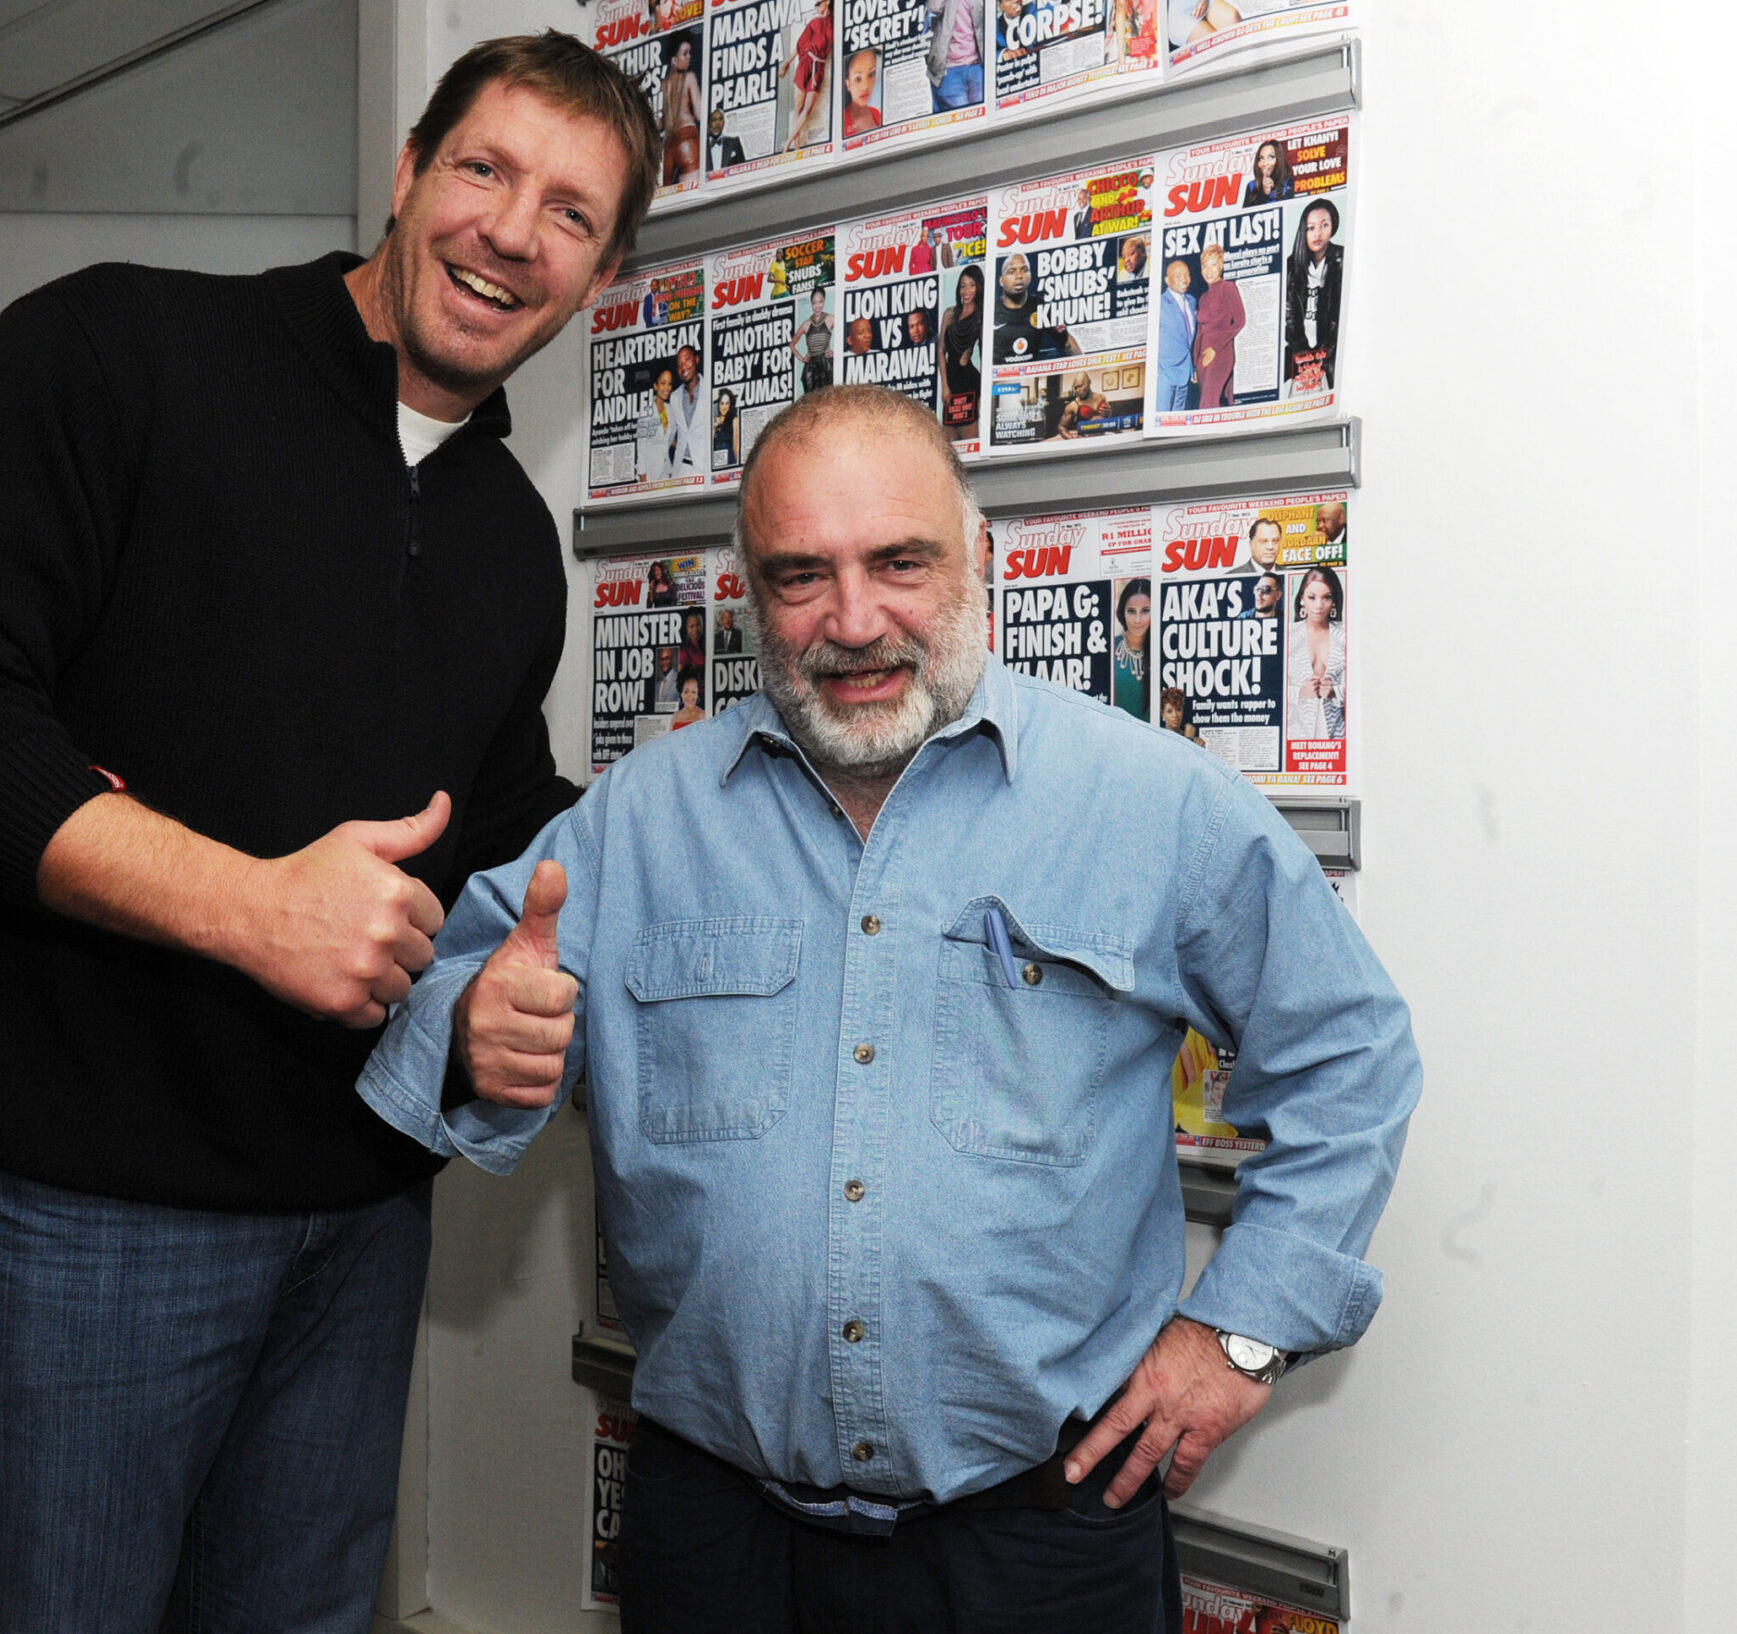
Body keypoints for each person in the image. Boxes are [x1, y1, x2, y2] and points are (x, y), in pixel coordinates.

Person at [0, 30, 659, 1634]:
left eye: (568, 214)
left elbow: (483, 821)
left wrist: (497, 984)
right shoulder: (119, 349)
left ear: (598, 276)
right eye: (482, 170)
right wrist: (240, 904)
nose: (508, 230)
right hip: (89, 1214)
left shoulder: (505, 535)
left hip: (359, 1215)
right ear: (406, 175)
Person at [356, 385, 1418, 1633]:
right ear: (751, 593)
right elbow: (434, 1015)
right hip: (715, 1534)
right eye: (800, 575)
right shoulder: (640, 820)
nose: (852, 621)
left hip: (1043, 1534)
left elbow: (1347, 1050)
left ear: (983, 558)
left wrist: (1239, 1332)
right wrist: (470, 1034)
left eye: (899, 561)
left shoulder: (1150, 804)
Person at [1283, 197, 1344, 391]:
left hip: (1331, 351)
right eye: (1311, 228)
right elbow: (1288, 316)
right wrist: (1304, 356)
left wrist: (1323, 356)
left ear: (1333, 227)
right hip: (1300, 351)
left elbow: (1337, 317)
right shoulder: (1291, 266)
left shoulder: (1342, 259)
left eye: (1324, 225)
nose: (1318, 233)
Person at [1287, 565, 1346, 742]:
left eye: (1326, 597)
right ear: (1301, 599)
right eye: (1311, 597)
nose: (1319, 605)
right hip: (1296, 734)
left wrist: (1335, 692)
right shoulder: (1288, 635)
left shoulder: (1345, 634)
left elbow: (1366, 685)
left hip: (1337, 733)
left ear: (1334, 600)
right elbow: (1269, 691)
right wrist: (1300, 693)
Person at [991, 250, 1078, 366]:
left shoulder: (1041, 307)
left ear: (1030, 276)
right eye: (1012, 271)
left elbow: (1067, 342)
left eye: (1024, 270)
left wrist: (1084, 369)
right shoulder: (990, 311)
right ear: (1001, 281)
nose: (1019, 276)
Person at [1193, 241, 1244, 409]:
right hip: (1202, 358)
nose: (1209, 270)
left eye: (1213, 265)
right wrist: (1195, 364)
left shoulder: (1228, 288)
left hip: (1221, 353)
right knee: (1211, 404)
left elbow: (1240, 321)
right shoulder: (1203, 298)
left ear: (1221, 265)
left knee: (1207, 405)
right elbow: (1200, 333)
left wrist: (1215, 349)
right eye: (1205, 266)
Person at [782, 0, 835, 150]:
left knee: (808, 108)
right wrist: (786, 64)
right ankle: (796, 146)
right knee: (798, 107)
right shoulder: (814, 22)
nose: (817, 7)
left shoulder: (834, 22)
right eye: (816, 5)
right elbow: (799, 46)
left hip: (819, 66)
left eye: (819, 4)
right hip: (806, 63)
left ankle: (788, 143)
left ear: (827, 2)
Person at [939, 264, 984, 437]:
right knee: (949, 446)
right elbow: (941, 351)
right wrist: (944, 385)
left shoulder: (981, 315)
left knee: (970, 441)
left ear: (979, 287)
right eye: (963, 285)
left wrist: (983, 394)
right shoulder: (949, 314)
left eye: (972, 285)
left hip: (969, 383)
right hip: (951, 385)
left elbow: (986, 354)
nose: (967, 290)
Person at [1156, 256, 1199, 413]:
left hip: (1185, 373)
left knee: (1177, 420)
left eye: (1186, 274)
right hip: (1164, 373)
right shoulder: (1159, 304)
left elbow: (1189, 339)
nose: (1184, 279)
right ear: (1167, 280)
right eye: (1178, 275)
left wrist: (1192, 367)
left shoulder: (1192, 301)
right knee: (1161, 416)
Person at [661, 31, 703, 187]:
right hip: (687, 137)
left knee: (666, 198)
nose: (689, 57)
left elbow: (662, 122)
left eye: (689, 53)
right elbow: (699, 113)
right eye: (685, 53)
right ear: (674, 59)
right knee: (692, 194)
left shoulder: (664, 85)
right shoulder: (689, 77)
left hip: (669, 145)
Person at [928, 0, 985, 113]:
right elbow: (933, 7)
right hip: (949, 69)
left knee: (983, 115)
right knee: (961, 119)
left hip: (976, 66)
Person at [1113, 574, 1150, 721]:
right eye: (1131, 611)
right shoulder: (1108, 648)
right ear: (1123, 611)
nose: (1137, 620)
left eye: (1145, 611)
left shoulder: (1165, 652)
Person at [670, 342, 706, 477]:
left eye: (687, 360)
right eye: (679, 364)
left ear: (696, 360)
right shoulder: (674, 397)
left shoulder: (710, 388)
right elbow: (671, 433)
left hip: (704, 466)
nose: (683, 366)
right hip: (681, 469)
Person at [638, 365, 679, 482]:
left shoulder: (671, 410)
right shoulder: (646, 412)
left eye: (670, 383)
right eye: (663, 383)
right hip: (651, 475)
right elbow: (641, 450)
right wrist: (644, 482)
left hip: (667, 472)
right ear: (655, 385)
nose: (667, 388)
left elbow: (669, 439)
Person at [794, 284, 836, 392]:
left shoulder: (830, 319)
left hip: (826, 364)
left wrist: (835, 353)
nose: (817, 306)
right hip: (811, 368)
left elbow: (846, 332)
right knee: (811, 403)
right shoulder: (806, 324)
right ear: (811, 304)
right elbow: (792, 345)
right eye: (814, 303)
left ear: (824, 301)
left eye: (820, 302)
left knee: (828, 398)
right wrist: (802, 358)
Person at [843, 48, 883, 137]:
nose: (865, 86)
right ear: (848, 84)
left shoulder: (876, 113)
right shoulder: (841, 121)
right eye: (857, 79)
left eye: (871, 74)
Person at [1242, 138, 1287, 206]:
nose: (1265, 163)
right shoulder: (1252, 186)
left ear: (1279, 159)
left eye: (1271, 157)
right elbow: (1246, 214)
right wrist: (1264, 194)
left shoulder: (1288, 182)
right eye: (1261, 158)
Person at [706, 106, 746, 171]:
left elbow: (743, 166)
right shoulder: (700, 146)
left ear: (724, 122)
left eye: (720, 119)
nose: (717, 123)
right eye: (714, 120)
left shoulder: (734, 142)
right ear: (708, 123)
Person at [711, 388, 742, 470]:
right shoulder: (714, 421)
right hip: (716, 463)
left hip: (729, 463)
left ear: (730, 404)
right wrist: (714, 428)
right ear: (718, 405)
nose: (724, 407)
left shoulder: (734, 420)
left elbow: (736, 446)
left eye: (727, 403)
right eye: (722, 403)